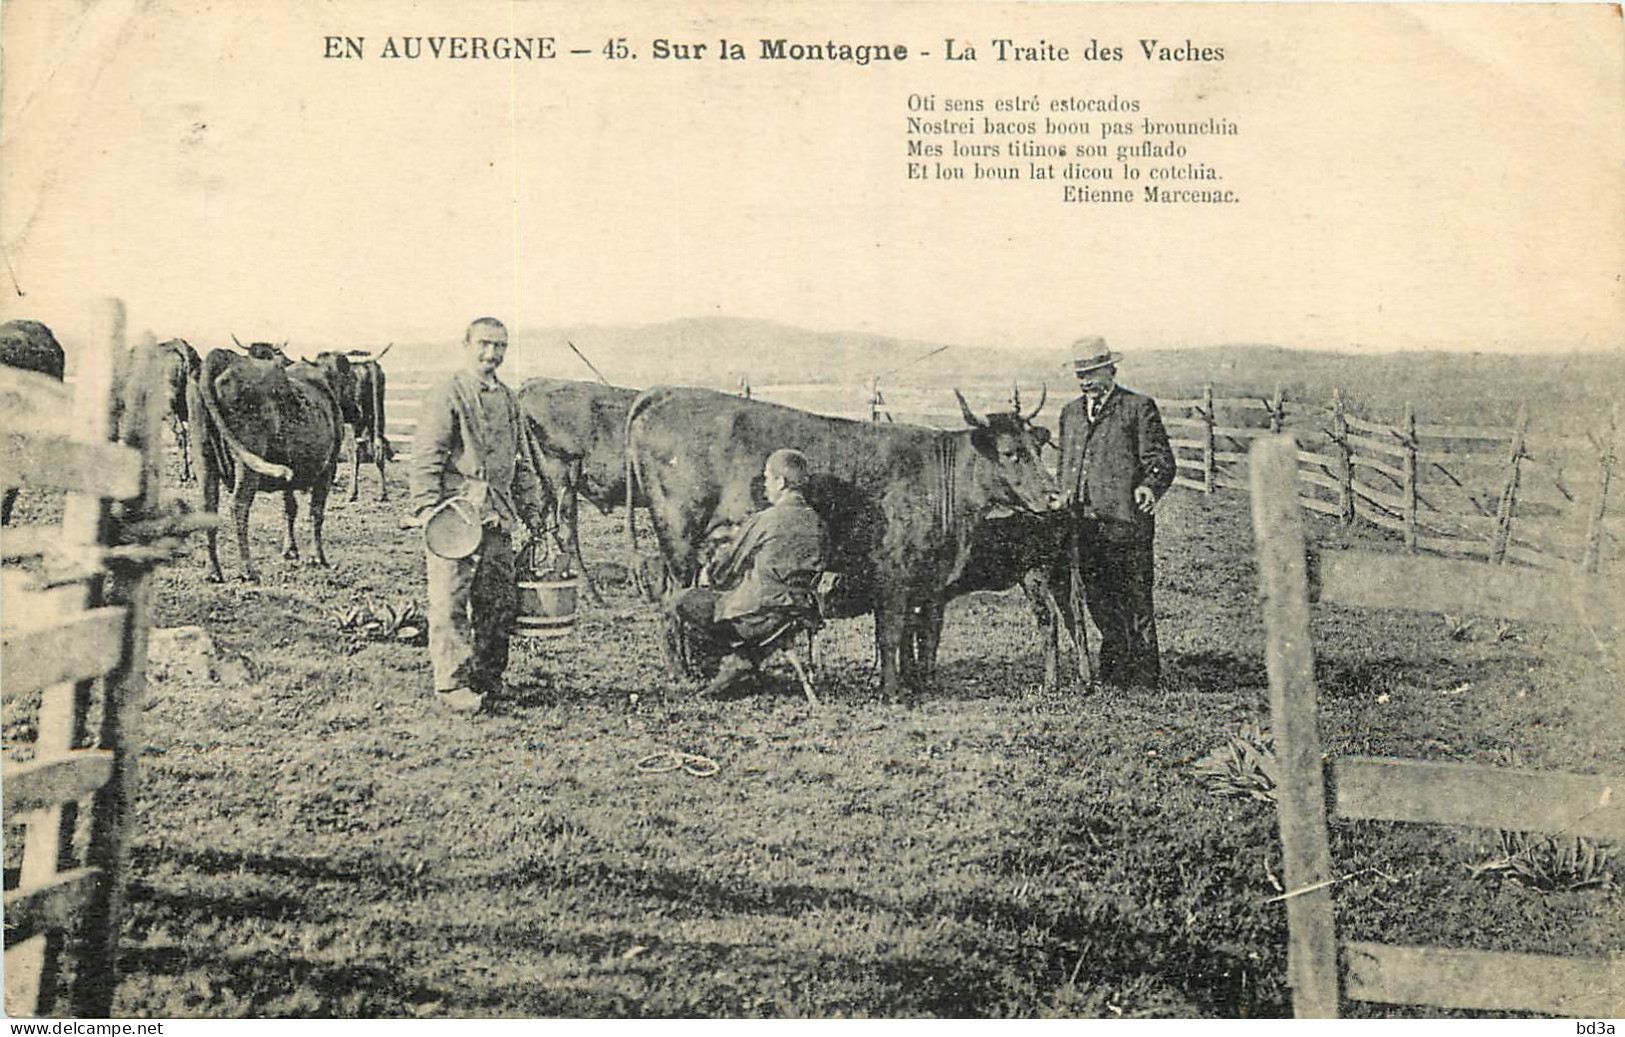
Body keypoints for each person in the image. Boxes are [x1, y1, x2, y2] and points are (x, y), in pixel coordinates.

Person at [409, 317, 550, 714]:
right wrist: (426, 509)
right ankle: (451, 685)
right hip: (454, 516)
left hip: (498, 517)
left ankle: (489, 678)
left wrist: (532, 512)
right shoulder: (447, 394)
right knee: (449, 601)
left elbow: (521, 461)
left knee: (497, 602)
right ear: (466, 344)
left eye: (500, 347)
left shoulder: (508, 399)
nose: (492, 354)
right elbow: (426, 457)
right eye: (485, 344)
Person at [1054, 337, 1175, 689]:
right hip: (1083, 527)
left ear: (1111, 370)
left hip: (1126, 524)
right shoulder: (1071, 414)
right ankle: (1115, 668)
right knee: (1098, 600)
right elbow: (1066, 464)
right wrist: (1063, 497)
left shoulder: (1137, 408)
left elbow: (1160, 461)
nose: (1086, 381)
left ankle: (1142, 676)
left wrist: (1150, 487)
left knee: (1134, 600)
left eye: (1092, 372)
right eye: (1081, 374)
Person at [670, 448, 827, 696]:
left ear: (781, 482)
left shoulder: (766, 519)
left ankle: (728, 664)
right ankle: (742, 664)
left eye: (767, 478)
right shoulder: (817, 521)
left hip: (760, 615)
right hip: (799, 613)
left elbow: (725, 569)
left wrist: (711, 569)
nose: (765, 485)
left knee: (683, 601)